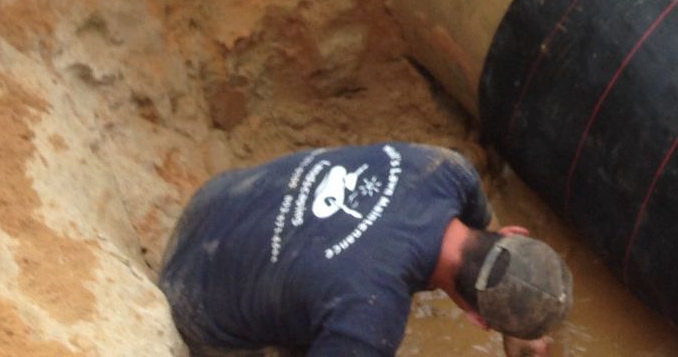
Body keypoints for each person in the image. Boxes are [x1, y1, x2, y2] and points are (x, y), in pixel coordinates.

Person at [157, 142, 572, 357]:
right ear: (475, 319)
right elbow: (362, 305)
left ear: (516, 233)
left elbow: (490, 233)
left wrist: (519, 325)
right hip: (192, 298)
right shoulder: (369, 316)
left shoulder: (446, 169)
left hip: (219, 200)